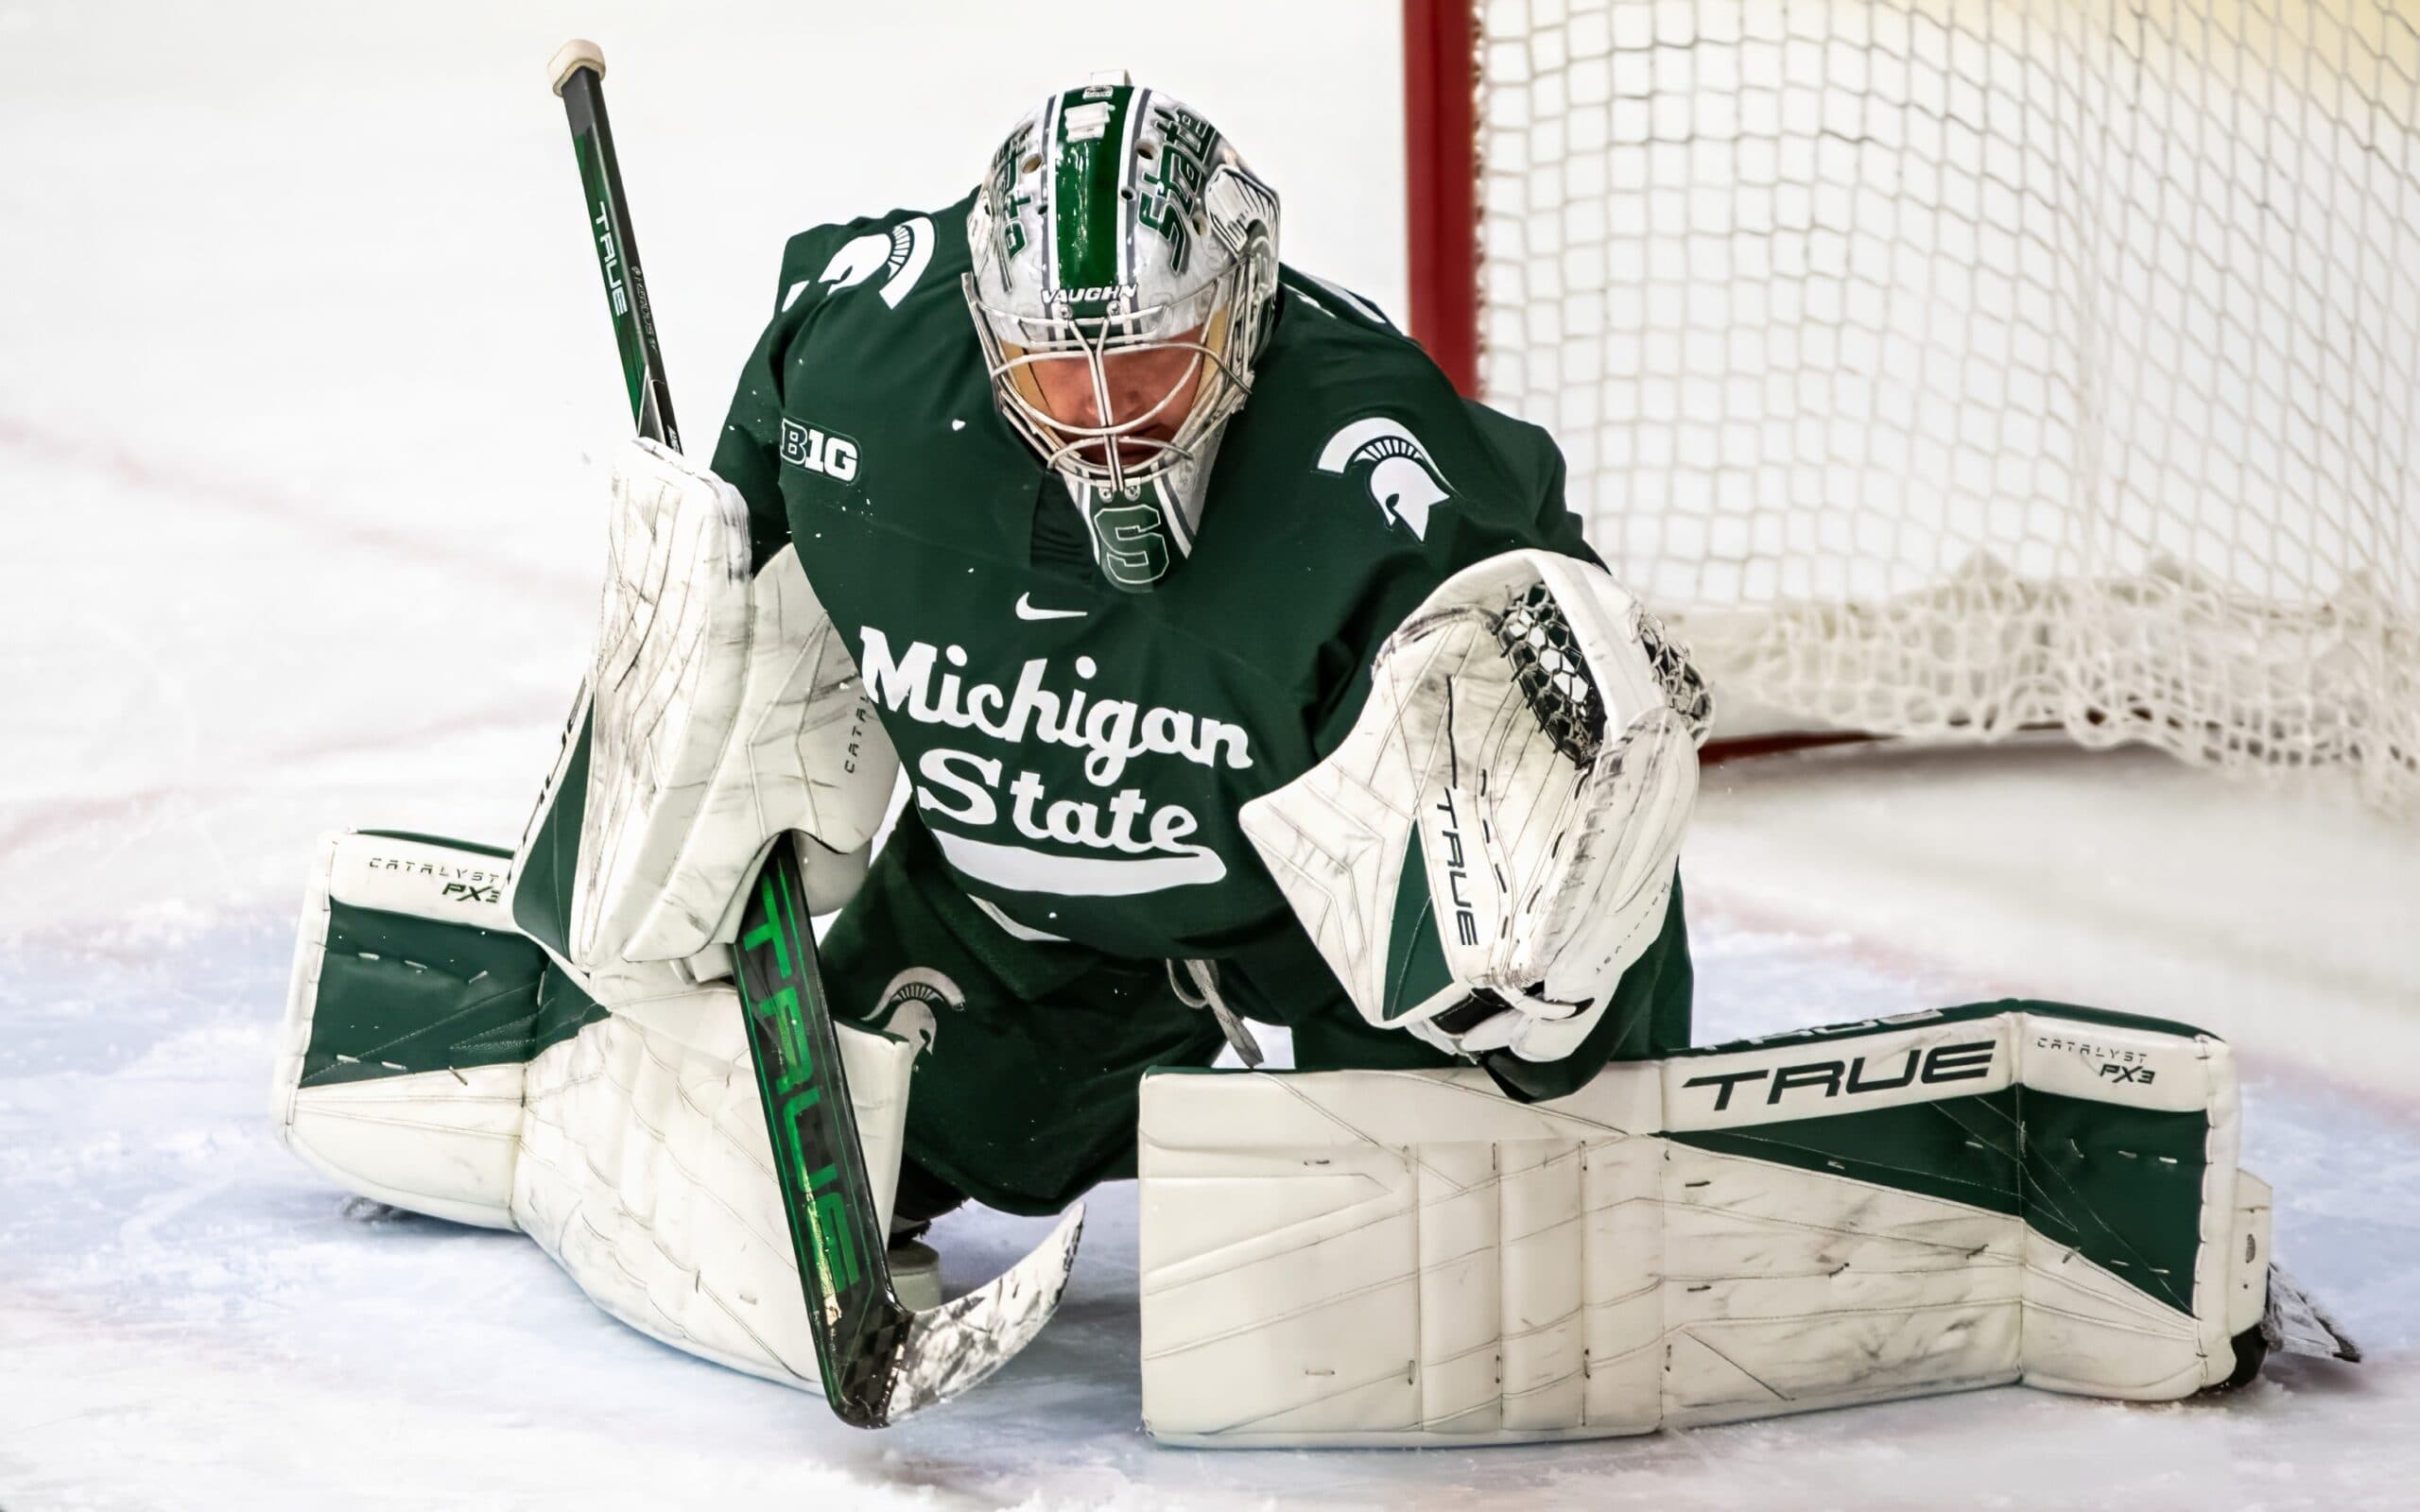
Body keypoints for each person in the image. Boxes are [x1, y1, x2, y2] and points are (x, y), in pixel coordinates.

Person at [270, 75, 2338, 1438]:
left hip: (1305, 952)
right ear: (982, 334)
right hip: (1005, 939)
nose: (1097, 418)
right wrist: (695, 765)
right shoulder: (858, 347)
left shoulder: (1392, 472)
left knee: (1489, 1267)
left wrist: (1539, 963)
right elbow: (735, 636)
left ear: (1238, 309)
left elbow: (1577, 786)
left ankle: (2027, 1195)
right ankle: (496, 1036)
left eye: (1147, 362)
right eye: (1051, 367)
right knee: (767, 1150)